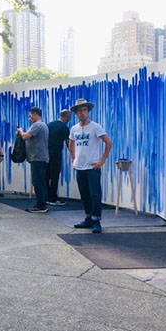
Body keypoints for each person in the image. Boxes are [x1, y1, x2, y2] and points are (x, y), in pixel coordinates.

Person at [69, 99, 112, 232]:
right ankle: (88, 218)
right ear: (76, 113)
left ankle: (96, 220)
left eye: (85, 110)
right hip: (80, 167)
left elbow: (108, 143)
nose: (82, 113)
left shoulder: (95, 126)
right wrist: (73, 160)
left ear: (88, 111)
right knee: (84, 194)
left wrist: (102, 160)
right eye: (80, 111)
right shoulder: (74, 128)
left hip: (92, 167)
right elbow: (71, 144)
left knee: (95, 194)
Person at [17, 107, 50, 213]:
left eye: (30, 116)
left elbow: (26, 136)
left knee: (37, 182)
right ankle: (43, 202)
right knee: (41, 181)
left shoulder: (37, 125)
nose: (29, 118)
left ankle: (41, 205)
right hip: (41, 157)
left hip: (37, 157)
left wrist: (21, 131)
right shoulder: (43, 125)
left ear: (35, 114)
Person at [46, 109, 71, 205]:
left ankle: (46, 197)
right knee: (54, 176)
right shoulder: (64, 128)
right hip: (56, 153)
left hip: (46, 153)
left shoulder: (50, 125)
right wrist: (74, 155)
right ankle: (53, 198)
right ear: (67, 117)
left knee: (46, 176)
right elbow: (68, 142)